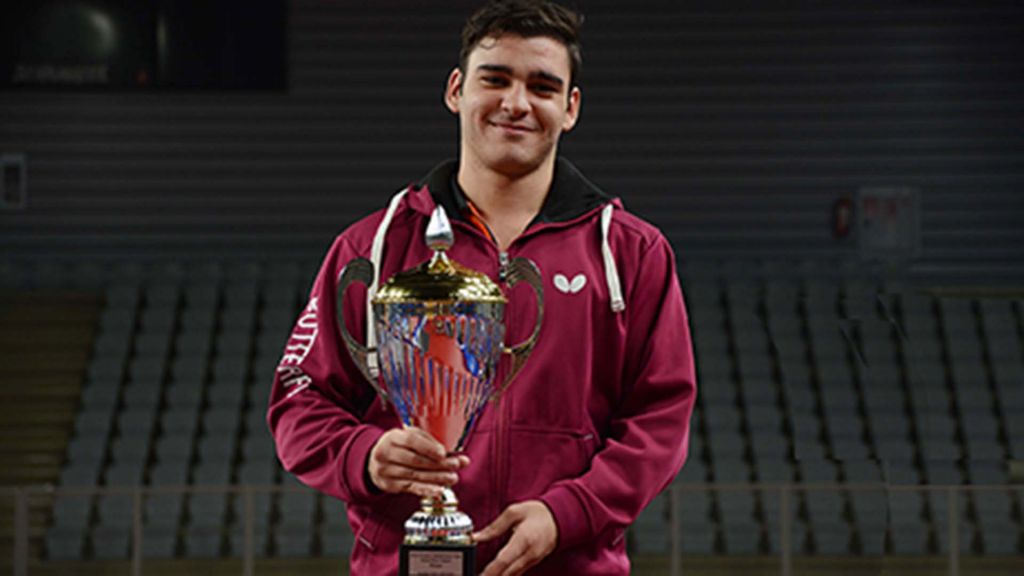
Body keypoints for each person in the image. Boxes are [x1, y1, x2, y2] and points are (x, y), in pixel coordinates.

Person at [267, 1, 696, 574]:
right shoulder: (371, 249)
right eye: (495, 79)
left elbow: (660, 419)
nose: (516, 103)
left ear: (570, 108)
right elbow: (299, 402)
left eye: (542, 87)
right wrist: (363, 456)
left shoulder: (631, 253)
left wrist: (569, 512)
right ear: (456, 90)